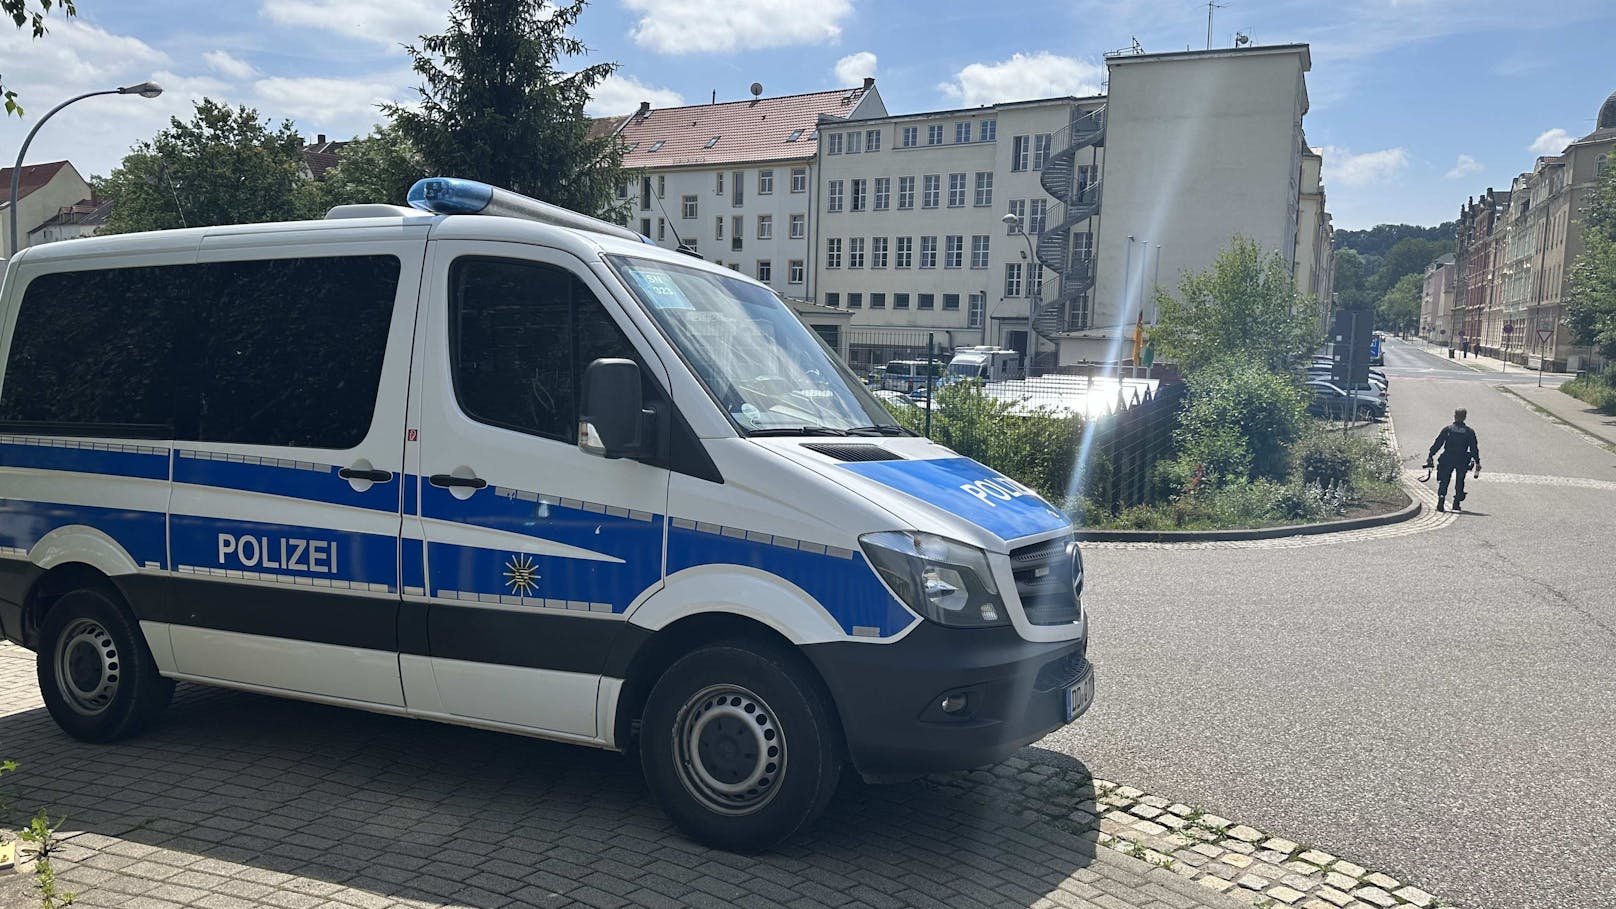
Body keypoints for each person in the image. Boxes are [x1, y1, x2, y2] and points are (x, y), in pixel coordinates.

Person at [1426, 407, 1482, 512]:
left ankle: (1441, 500)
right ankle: (1456, 502)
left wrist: (1431, 455)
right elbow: (1474, 448)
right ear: (1465, 417)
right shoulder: (1469, 432)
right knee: (1460, 480)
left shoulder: (1447, 429)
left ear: (1455, 416)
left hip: (1448, 457)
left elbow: (1438, 443)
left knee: (1444, 479)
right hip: (1462, 459)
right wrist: (1477, 461)